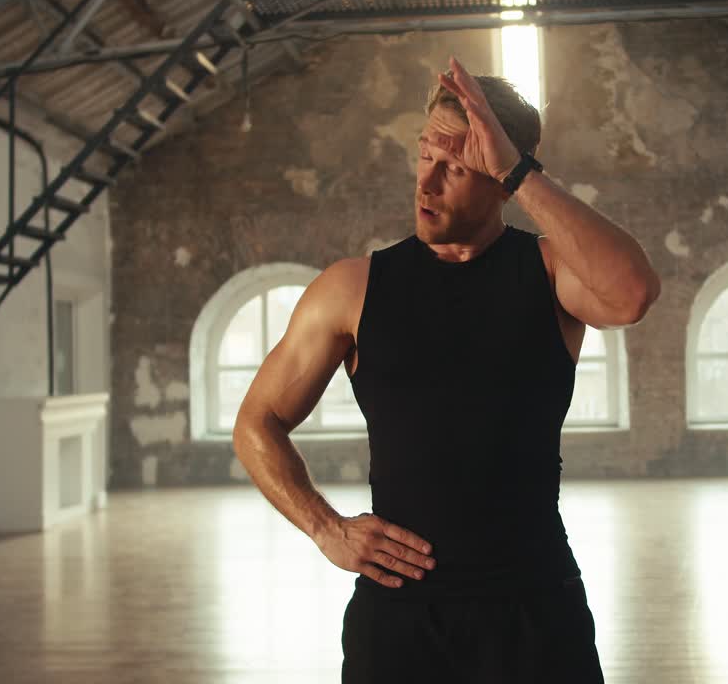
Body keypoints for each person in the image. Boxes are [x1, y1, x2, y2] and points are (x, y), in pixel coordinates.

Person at [232, 55, 660, 683]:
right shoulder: (353, 288)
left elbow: (633, 294)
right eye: (425, 155)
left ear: (501, 178)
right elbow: (257, 421)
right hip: (400, 619)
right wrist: (325, 528)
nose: (425, 183)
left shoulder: (549, 274)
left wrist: (520, 170)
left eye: (455, 167)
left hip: (535, 609)